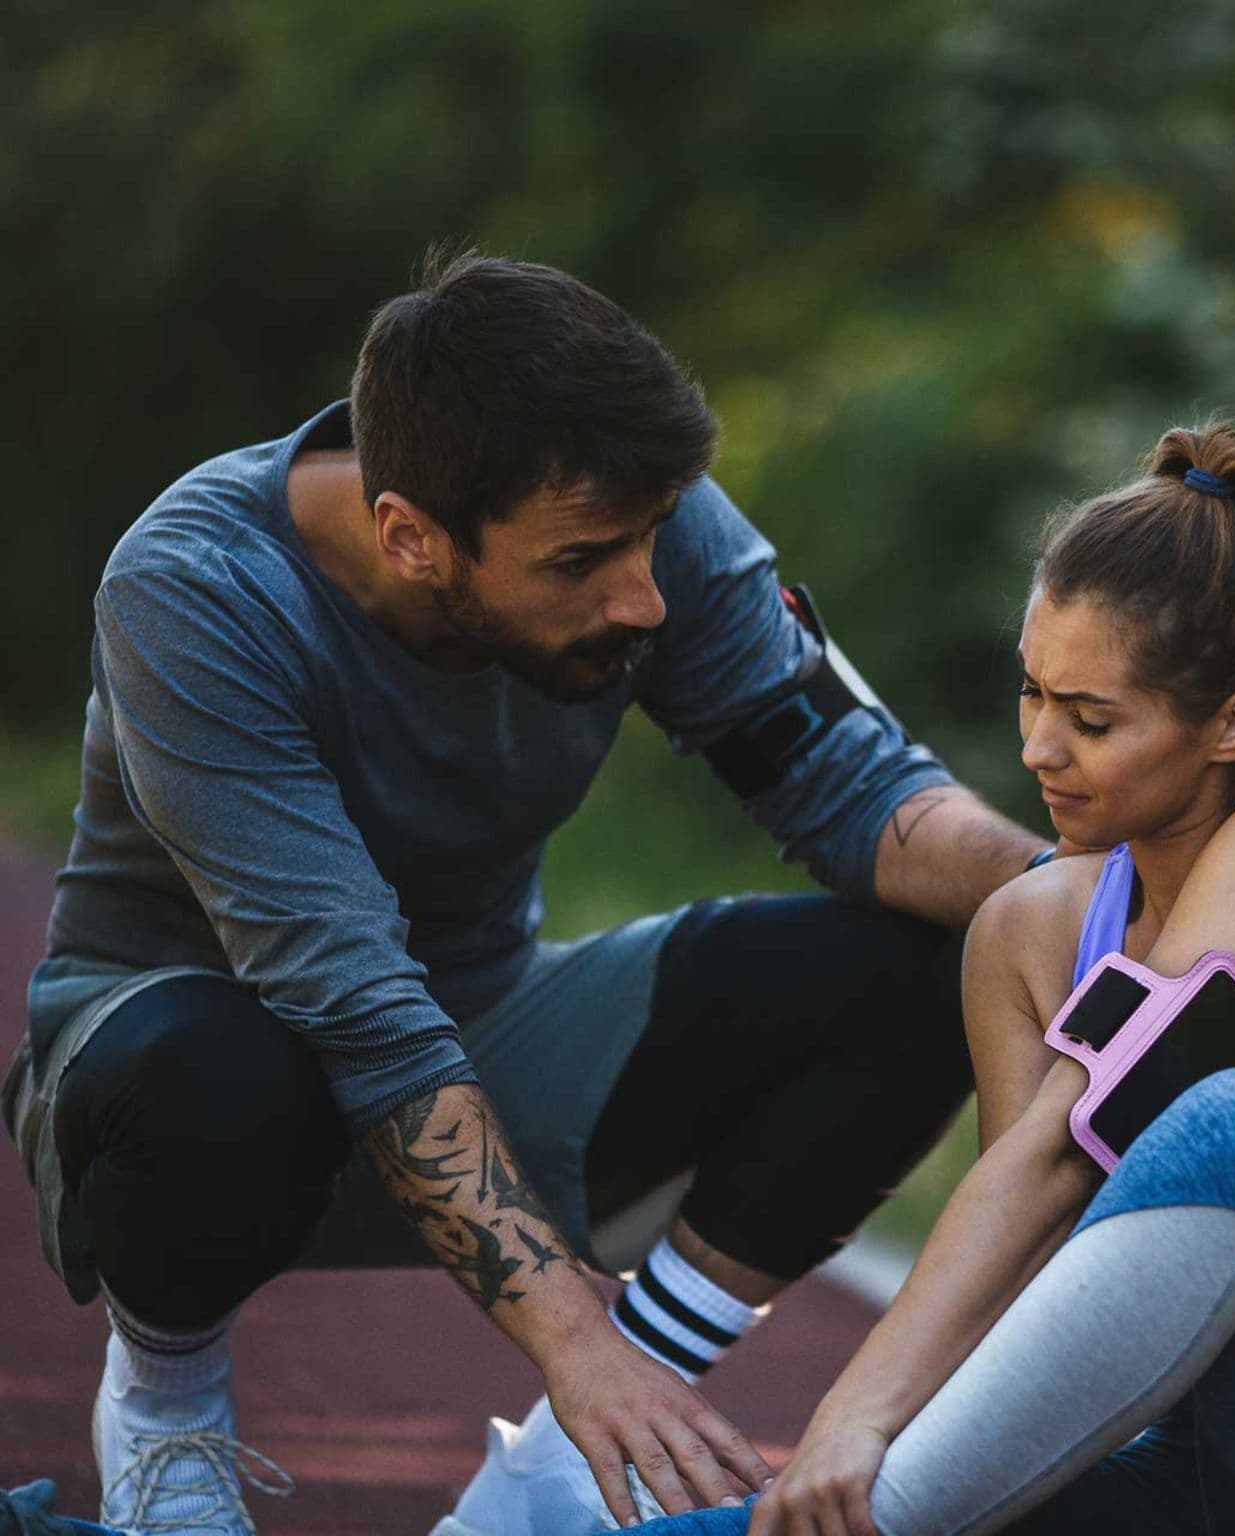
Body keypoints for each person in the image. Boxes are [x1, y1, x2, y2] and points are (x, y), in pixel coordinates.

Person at [1, 251, 1053, 1535]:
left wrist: (1083, 899)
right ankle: (164, 1408)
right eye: (581, 563)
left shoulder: (632, 509)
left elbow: (850, 780)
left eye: (650, 538)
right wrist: (573, 1342)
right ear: (411, 537)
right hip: (189, 1080)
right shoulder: (195, 588)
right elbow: (352, 1003)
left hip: (489, 1020)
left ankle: (564, 1470)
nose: (643, 596)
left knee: (941, 956)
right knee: (215, 1068)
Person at [650, 422, 1235, 1534]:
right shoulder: (1028, 931)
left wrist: (853, 1414)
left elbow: (1082, 1136)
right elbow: (1029, 1283)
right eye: (1032, 694)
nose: (1038, 748)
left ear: (1232, 726)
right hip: (1189, 1478)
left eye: (1091, 719)